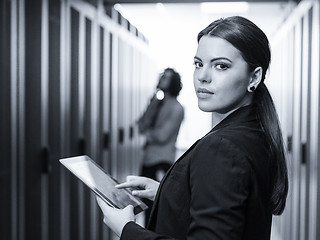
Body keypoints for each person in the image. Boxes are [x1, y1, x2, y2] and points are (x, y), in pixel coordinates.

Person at [96, 16, 289, 239]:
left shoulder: (221, 147)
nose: (202, 77)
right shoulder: (255, 130)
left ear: (254, 77)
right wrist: (168, 192)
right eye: (199, 64)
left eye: (221, 66)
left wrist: (126, 229)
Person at [136, 67, 184, 224]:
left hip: (162, 161)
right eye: (162, 76)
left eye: (166, 77)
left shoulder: (177, 108)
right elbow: (141, 125)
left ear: (174, 82)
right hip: (148, 159)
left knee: (157, 206)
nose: (162, 79)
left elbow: (162, 136)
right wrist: (152, 105)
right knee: (144, 204)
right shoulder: (157, 102)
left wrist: (149, 132)